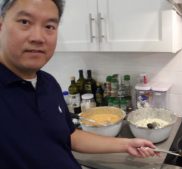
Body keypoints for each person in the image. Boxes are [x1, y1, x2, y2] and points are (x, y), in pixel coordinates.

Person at [0, 0, 158, 168]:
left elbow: (70, 136)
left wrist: (126, 144)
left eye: (49, 26)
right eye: (25, 22)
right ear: (1, 25)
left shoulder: (48, 83)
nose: (38, 37)